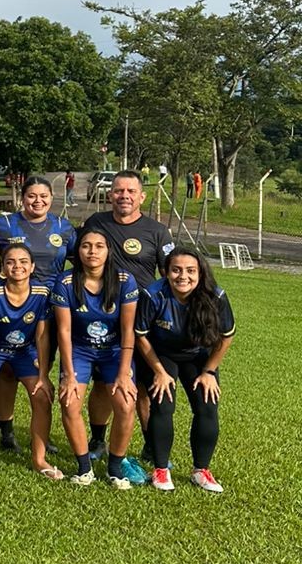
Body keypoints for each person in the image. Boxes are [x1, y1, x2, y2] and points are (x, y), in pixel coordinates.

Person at [80, 168, 173, 480]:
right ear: (110, 195)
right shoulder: (96, 224)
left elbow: (170, 275)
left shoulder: (157, 232)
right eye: (119, 191)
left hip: (144, 320)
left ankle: (150, 445)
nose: (124, 196)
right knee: (104, 384)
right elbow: (80, 261)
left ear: (141, 196)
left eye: (130, 191)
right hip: (103, 319)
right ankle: (97, 438)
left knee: (144, 386)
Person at [0, 175, 76, 452]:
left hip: (48, 311)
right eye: (31, 196)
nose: (37, 201)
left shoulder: (64, 227)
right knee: (6, 372)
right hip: (8, 307)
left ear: (52, 198)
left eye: (43, 196)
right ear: (21, 198)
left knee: (40, 370)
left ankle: (42, 433)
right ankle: (7, 431)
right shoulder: (4, 225)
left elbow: (83, 261)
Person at [135, 246, 235, 492]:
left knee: (207, 406)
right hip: (161, 355)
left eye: (190, 271)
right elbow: (141, 336)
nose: (183, 276)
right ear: (166, 272)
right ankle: (160, 469)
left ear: (200, 272)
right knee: (163, 403)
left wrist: (209, 371)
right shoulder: (153, 294)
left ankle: (201, 470)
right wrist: (158, 371)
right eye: (176, 270)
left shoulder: (216, 296)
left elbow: (226, 336)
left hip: (197, 356)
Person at [51, 226, 139, 488]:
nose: (92, 251)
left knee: (125, 403)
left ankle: (114, 467)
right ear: (78, 251)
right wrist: (67, 374)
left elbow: (127, 330)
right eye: (86, 245)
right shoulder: (66, 282)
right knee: (69, 402)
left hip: (114, 351)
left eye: (99, 246)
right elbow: (64, 332)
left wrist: (124, 372)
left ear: (108, 250)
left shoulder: (124, 280)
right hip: (79, 350)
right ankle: (84, 467)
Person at [0, 243, 60, 480]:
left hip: (24, 351)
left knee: (42, 396)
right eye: (10, 262)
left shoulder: (41, 294)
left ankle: (39, 459)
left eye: (23, 262)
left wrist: (43, 375)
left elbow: (42, 335)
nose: (17, 266)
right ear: (3, 269)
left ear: (32, 267)